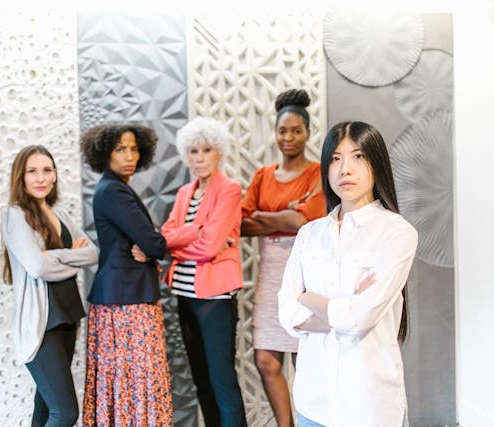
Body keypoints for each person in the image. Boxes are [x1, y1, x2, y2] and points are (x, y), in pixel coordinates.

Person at [278, 121, 418, 427]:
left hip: (370, 405)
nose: (345, 169)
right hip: (313, 402)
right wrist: (343, 310)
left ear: (376, 163)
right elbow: (287, 313)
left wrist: (309, 298)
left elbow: (361, 318)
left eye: (358, 156)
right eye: (335, 159)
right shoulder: (309, 234)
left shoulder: (397, 233)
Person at [241, 89, 326, 427]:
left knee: (303, 359)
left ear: (307, 133)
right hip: (270, 274)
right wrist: (284, 216)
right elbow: (241, 224)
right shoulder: (263, 175)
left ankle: (308, 421)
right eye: (282, 131)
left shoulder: (318, 174)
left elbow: (305, 221)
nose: (288, 138)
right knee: (266, 360)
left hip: (305, 271)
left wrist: (265, 216)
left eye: (296, 131)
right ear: (275, 134)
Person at [79, 123, 173, 426]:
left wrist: (150, 243)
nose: (129, 156)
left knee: (126, 381)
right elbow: (154, 243)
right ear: (104, 153)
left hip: (122, 298)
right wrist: (153, 242)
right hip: (126, 303)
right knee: (136, 380)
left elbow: (149, 242)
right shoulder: (113, 191)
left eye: (134, 149)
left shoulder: (114, 188)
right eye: (120, 149)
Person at [1, 145, 98, 427]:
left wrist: (53, 255)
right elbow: (38, 267)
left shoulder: (59, 212)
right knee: (65, 413)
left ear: (55, 175)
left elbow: (92, 254)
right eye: (32, 171)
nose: (40, 177)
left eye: (46, 170)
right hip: (41, 324)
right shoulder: (14, 215)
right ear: (21, 177)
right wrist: (71, 257)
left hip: (68, 317)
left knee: (45, 409)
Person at [162, 116, 247, 427]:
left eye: (206, 150)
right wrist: (195, 231)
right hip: (184, 293)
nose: (199, 158)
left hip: (215, 298)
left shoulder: (229, 190)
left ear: (219, 152)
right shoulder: (184, 193)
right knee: (201, 379)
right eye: (193, 151)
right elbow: (165, 236)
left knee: (221, 379)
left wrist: (182, 241)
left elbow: (210, 247)